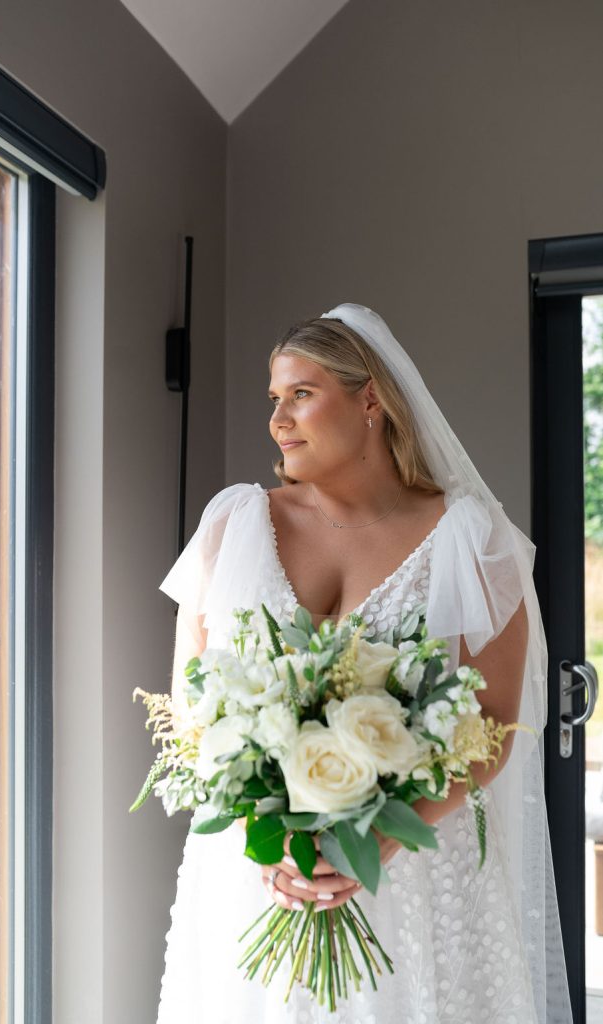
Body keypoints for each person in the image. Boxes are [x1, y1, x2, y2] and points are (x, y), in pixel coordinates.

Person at [155, 303, 573, 1023]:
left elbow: (496, 725)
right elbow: (190, 709)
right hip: (260, 874)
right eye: (273, 399)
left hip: (418, 870)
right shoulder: (234, 523)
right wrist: (270, 844)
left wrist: (381, 835)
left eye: (300, 394)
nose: (277, 418)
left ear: (369, 399)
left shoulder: (472, 540)